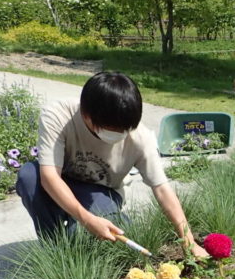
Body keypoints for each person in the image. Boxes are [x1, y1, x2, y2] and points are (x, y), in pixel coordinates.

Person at [16, 71, 208, 258]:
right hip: (61, 182)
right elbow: (49, 177)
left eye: (124, 129)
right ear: (86, 114)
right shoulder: (59, 115)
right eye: (110, 129)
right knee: (29, 176)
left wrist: (189, 241)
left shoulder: (140, 137)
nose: (118, 134)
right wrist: (86, 219)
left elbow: (162, 189)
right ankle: (54, 250)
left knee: (98, 236)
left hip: (102, 191)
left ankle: (79, 235)